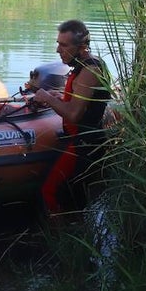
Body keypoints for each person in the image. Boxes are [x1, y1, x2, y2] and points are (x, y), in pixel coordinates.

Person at [33, 19, 112, 215]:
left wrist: (45, 97)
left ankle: (63, 237)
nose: (58, 50)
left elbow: (74, 114)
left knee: (51, 192)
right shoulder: (83, 66)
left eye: (63, 45)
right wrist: (59, 97)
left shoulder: (90, 70)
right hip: (80, 141)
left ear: (82, 47)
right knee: (71, 197)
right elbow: (83, 103)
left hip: (85, 144)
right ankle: (76, 232)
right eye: (58, 43)